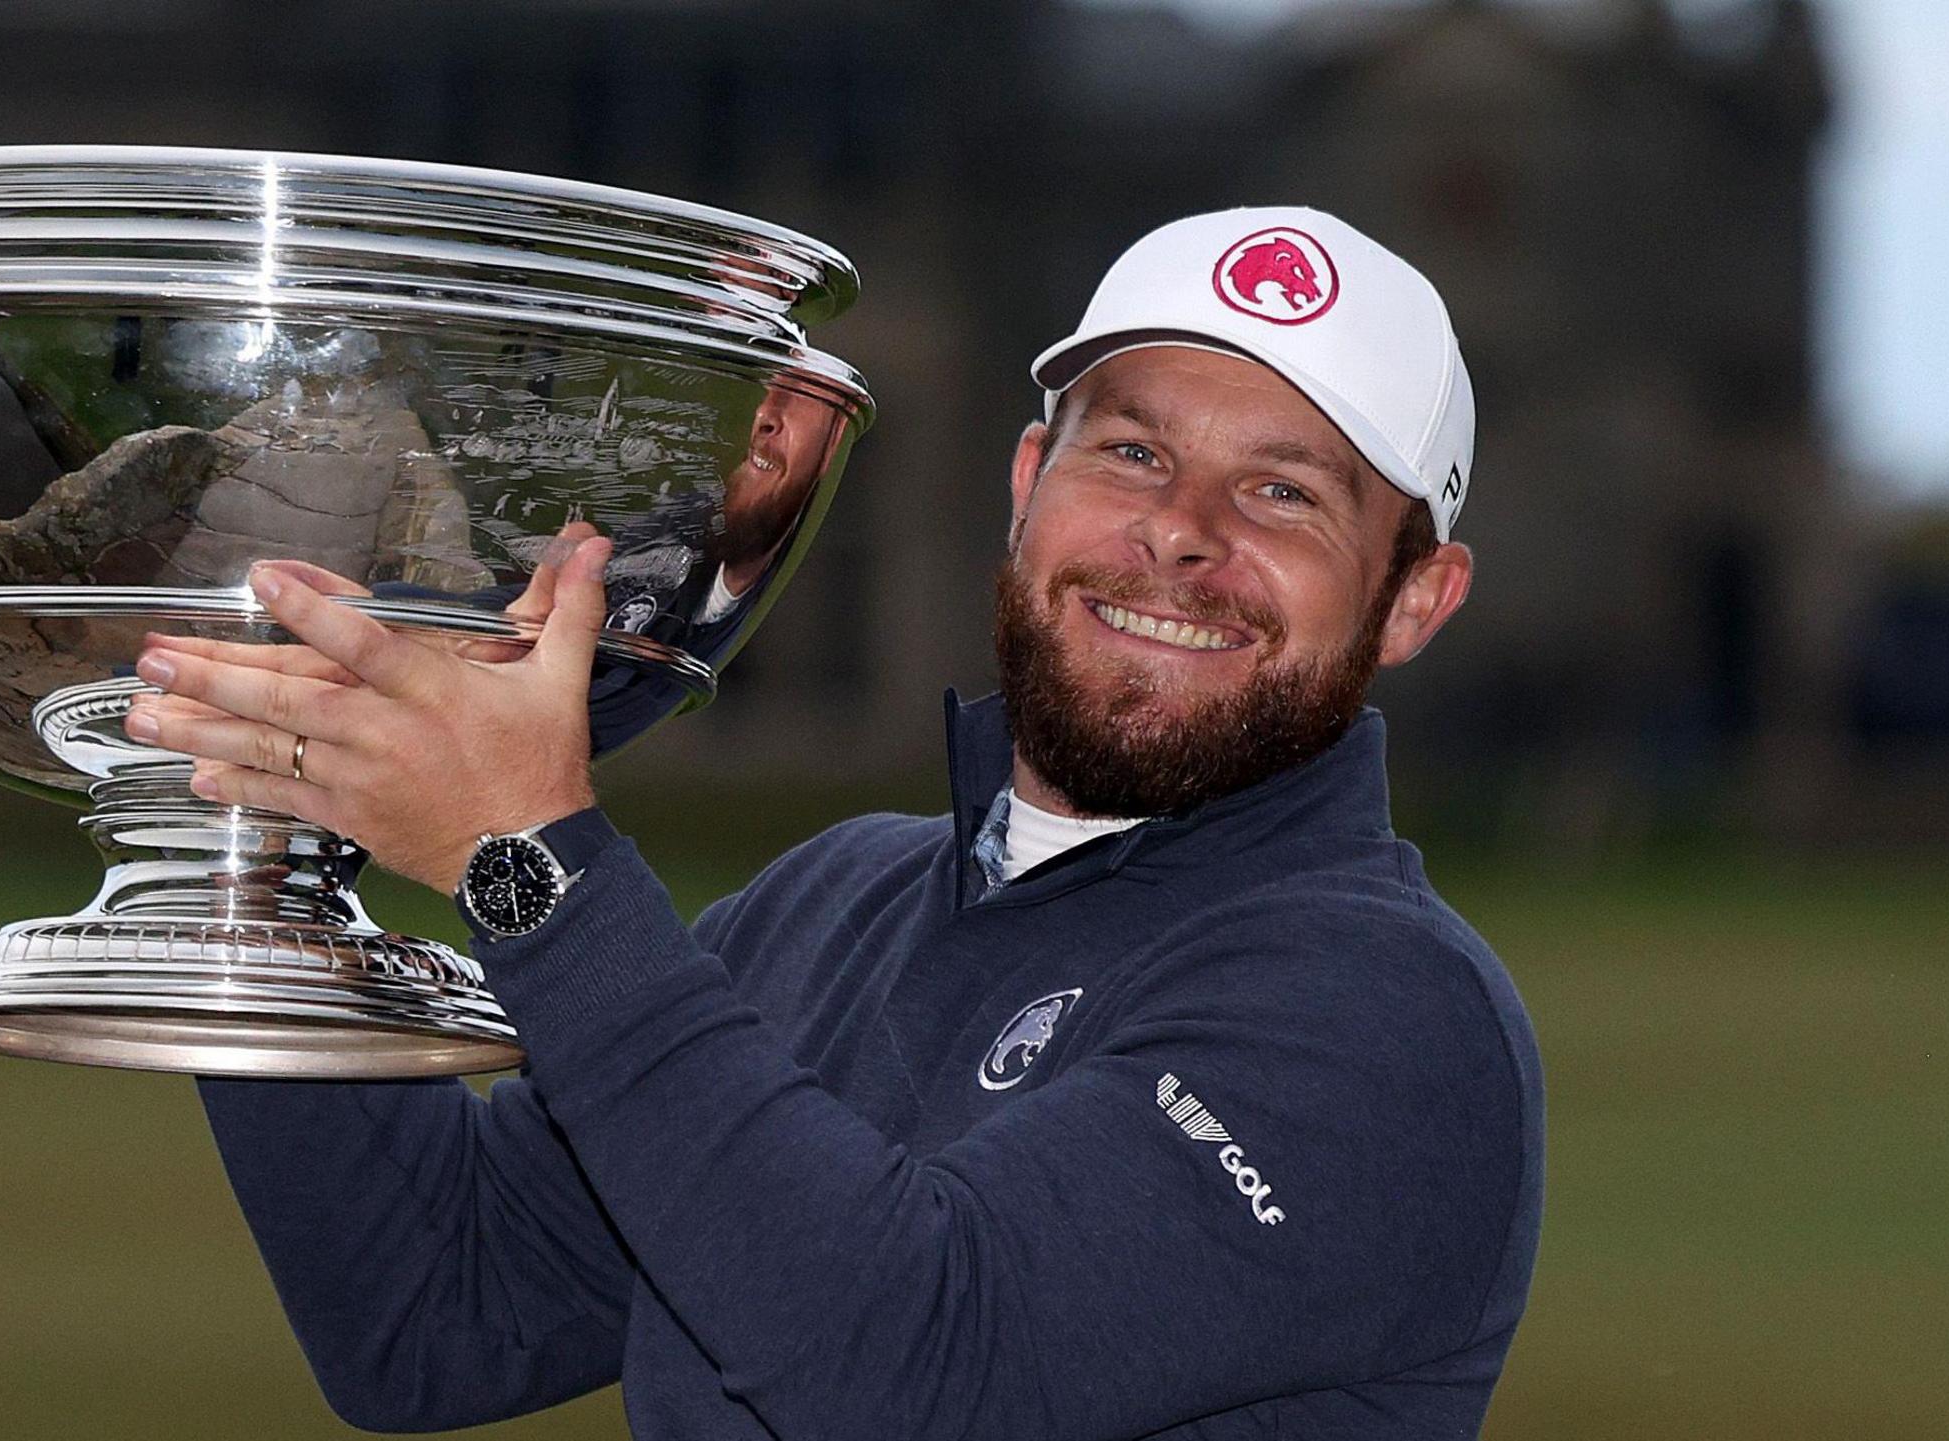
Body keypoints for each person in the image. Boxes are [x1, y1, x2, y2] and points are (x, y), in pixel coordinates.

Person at [122, 206, 1544, 1440]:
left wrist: (524, 859)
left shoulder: (1390, 1019)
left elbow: (912, 1375)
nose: (1180, 533)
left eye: (1284, 492)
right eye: (1131, 454)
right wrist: (259, 857)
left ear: (1417, 599)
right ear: (1026, 483)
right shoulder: (836, 905)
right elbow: (438, 1309)